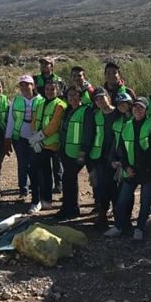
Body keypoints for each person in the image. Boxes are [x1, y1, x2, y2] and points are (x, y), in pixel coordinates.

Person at [106, 97, 151, 240]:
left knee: (145, 202)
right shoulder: (127, 125)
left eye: (141, 107)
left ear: (146, 110)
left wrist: (139, 166)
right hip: (130, 170)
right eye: (135, 107)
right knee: (122, 200)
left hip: (147, 171)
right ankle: (118, 226)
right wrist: (126, 166)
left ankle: (140, 228)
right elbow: (123, 150)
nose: (138, 110)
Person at [5, 75, 45, 213]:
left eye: (27, 84)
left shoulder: (41, 101)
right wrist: (8, 137)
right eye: (21, 85)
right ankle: (24, 190)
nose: (24, 87)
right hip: (19, 137)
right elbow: (11, 119)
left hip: (36, 138)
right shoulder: (16, 100)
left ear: (32, 86)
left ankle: (38, 196)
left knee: (34, 167)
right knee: (23, 164)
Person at [55, 86, 93, 219]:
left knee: (68, 178)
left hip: (77, 153)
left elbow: (88, 132)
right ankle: (68, 208)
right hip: (66, 150)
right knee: (68, 179)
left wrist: (83, 151)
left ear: (80, 96)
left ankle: (71, 209)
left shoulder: (86, 111)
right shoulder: (68, 110)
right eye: (70, 95)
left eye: (75, 95)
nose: (73, 98)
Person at [29, 78, 66, 211]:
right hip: (37, 143)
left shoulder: (60, 105)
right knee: (38, 171)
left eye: (52, 89)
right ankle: (40, 199)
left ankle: (41, 200)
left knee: (42, 172)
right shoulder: (40, 103)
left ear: (58, 90)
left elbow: (54, 125)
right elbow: (35, 120)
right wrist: (33, 136)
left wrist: (39, 138)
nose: (49, 92)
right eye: (47, 89)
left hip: (50, 144)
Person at [87, 88, 118, 228]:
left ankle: (119, 216)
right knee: (101, 187)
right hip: (99, 156)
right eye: (97, 99)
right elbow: (91, 135)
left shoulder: (118, 113)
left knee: (116, 187)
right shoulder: (95, 115)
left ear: (108, 97)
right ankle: (102, 215)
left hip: (116, 156)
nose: (100, 101)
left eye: (102, 97)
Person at [34, 57, 64, 193]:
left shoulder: (59, 80)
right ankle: (43, 185)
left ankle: (59, 184)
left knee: (57, 161)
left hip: (56, 113)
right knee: (42, 162)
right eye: (42, 63)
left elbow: (63, 97)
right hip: (41, 112)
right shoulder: (36, 80)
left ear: (52, 65)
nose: (44, 66)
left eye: (47, 63)